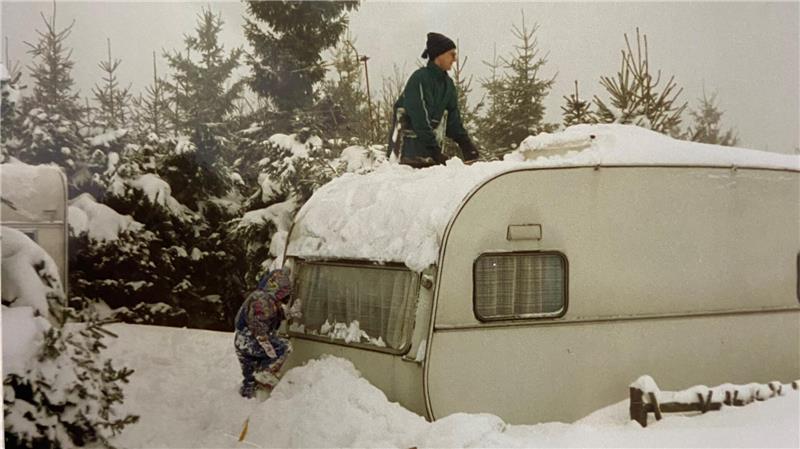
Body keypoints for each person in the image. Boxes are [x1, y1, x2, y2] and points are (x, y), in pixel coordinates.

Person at [387, 32, 480, 168]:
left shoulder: (448, 85)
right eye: (452, 54)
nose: (455, 59)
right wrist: (434, 151)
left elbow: (453, 122)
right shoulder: (419, 79)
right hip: (403, 157)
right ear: (439, 55)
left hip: (430, 159)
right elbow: (419, 117)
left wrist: (466, 144)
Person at [233, 268, 301, 398]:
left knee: (250, 376)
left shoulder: (265, 298)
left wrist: (291, 313)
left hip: (241, 341)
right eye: (284, 292)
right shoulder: (262, 299)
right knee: (284, 347)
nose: (284, 297)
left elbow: (275, 314)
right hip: (252, 340)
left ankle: (247, 398)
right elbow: (258, 323)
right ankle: (266, 372)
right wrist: (268, 347)